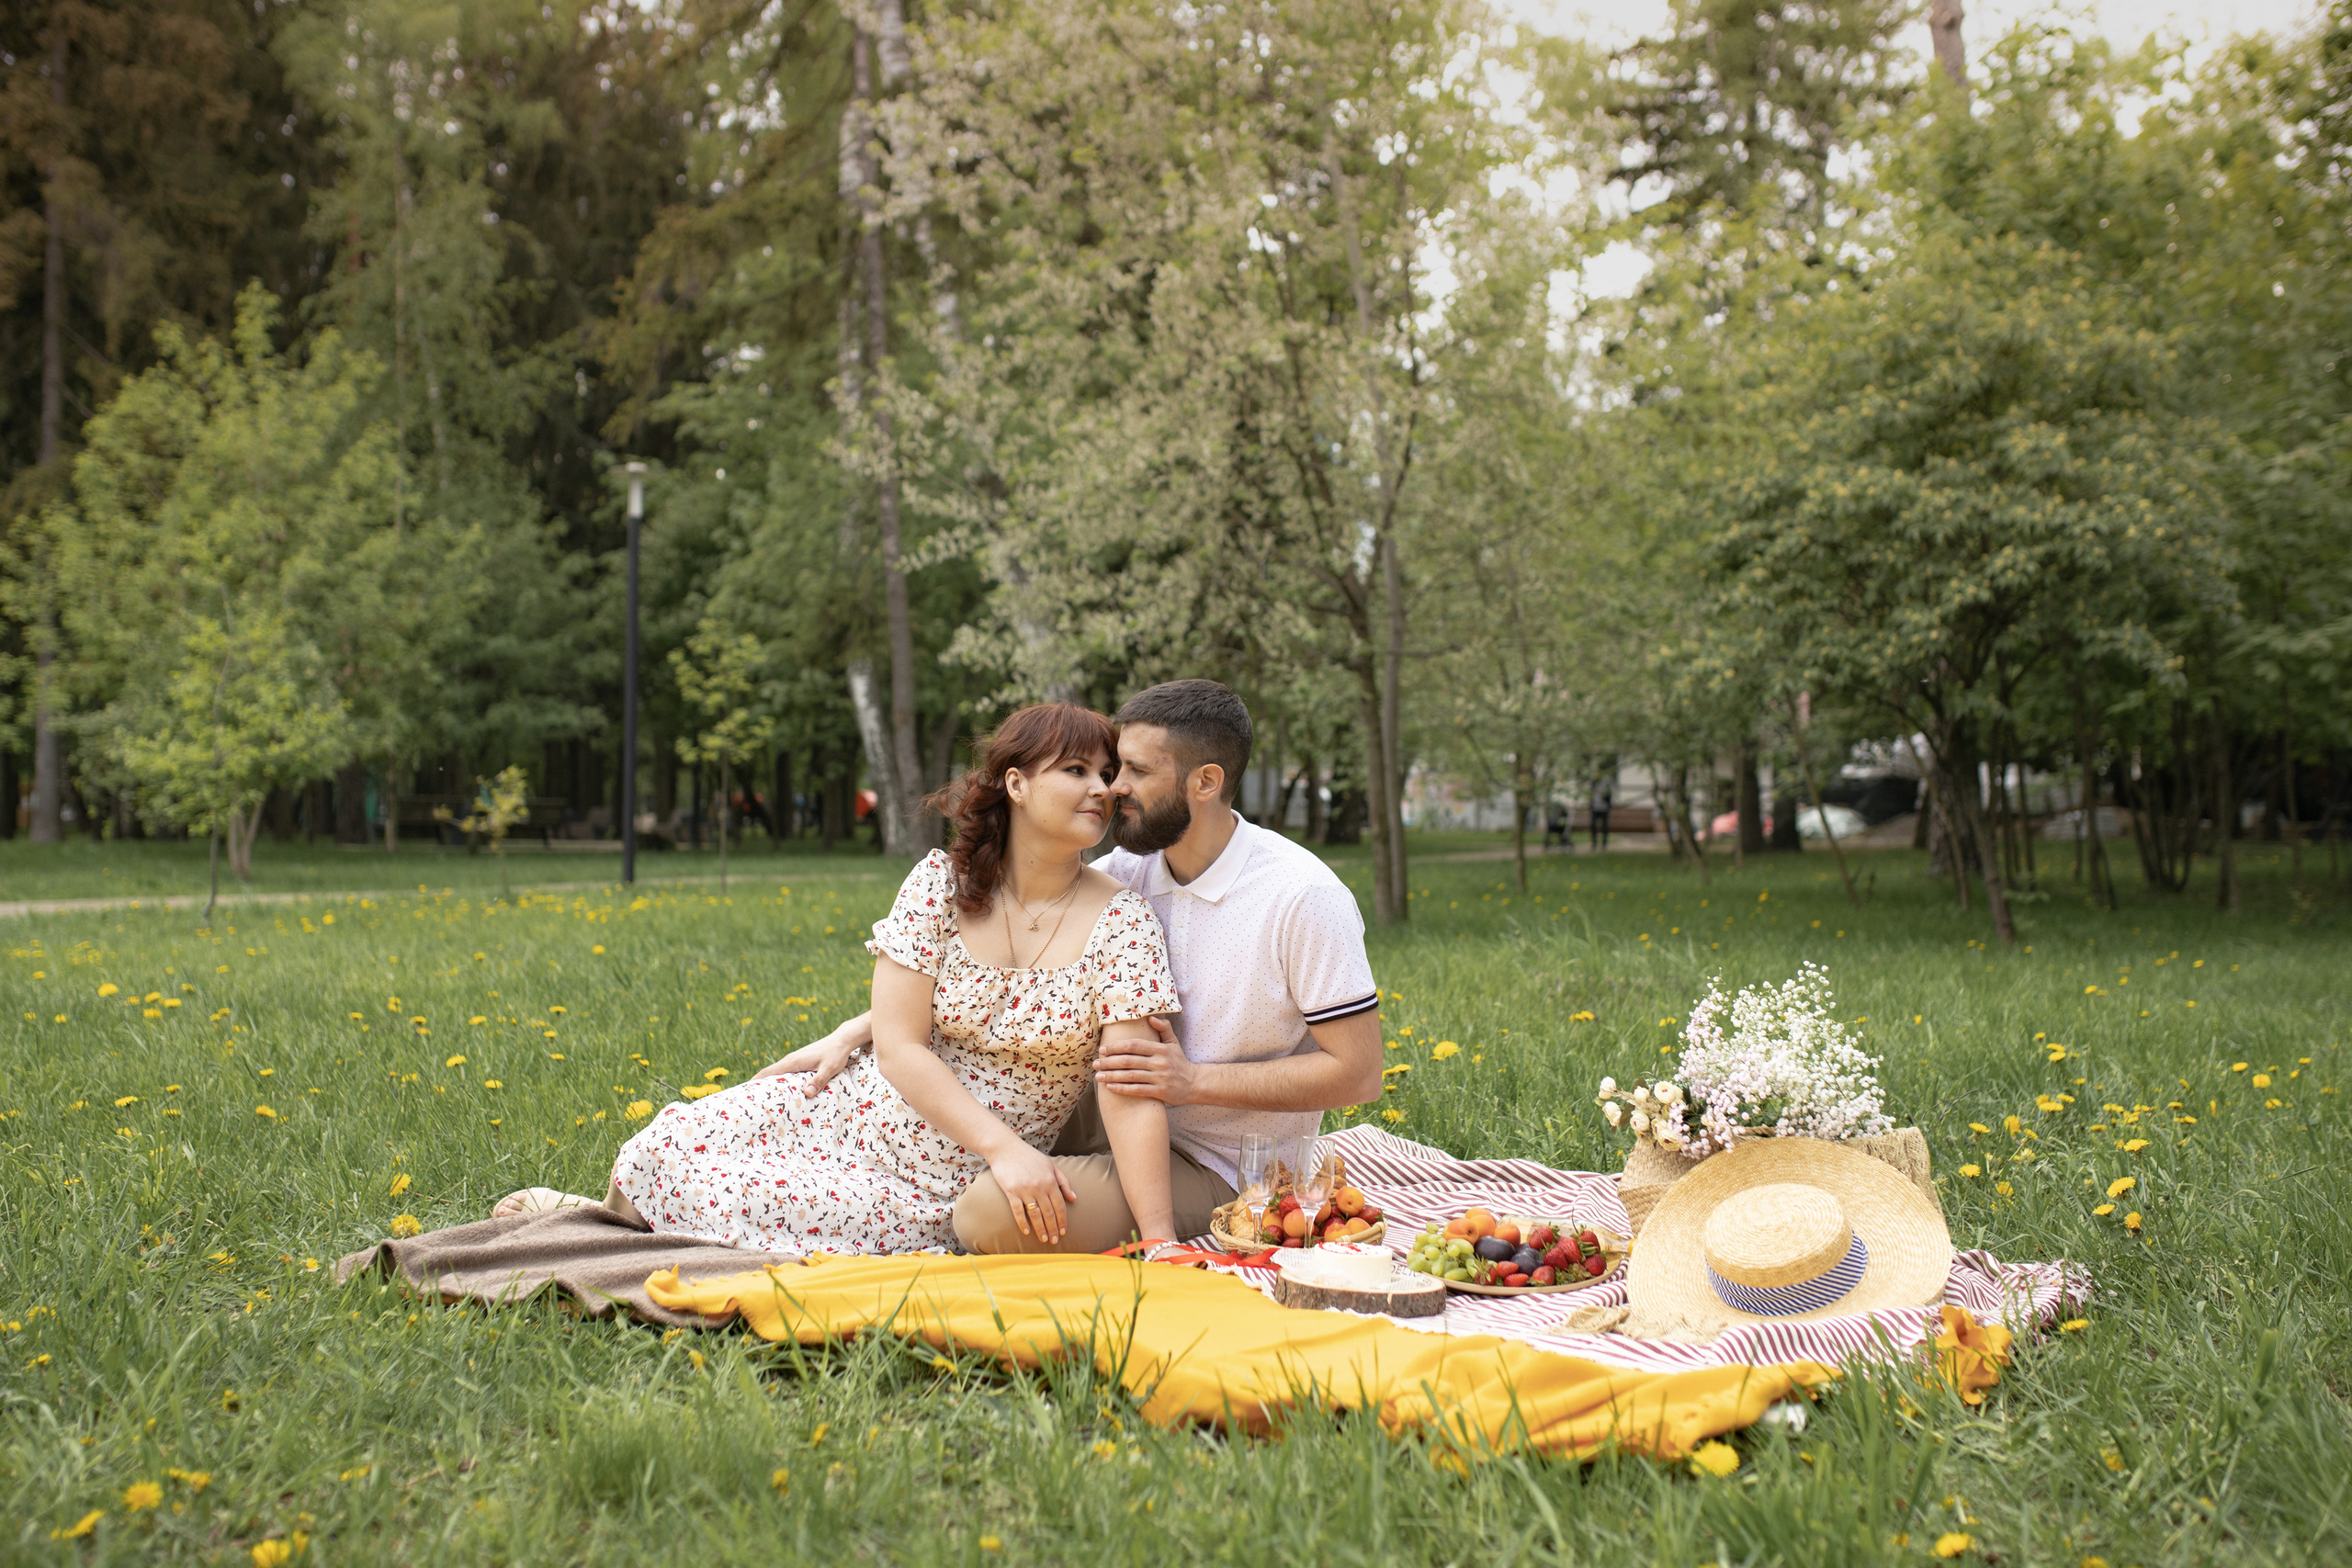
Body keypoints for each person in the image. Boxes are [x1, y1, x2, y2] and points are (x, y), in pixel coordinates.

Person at [492, 704, 1184, 1257]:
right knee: (673, 1141)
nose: (1103, 788)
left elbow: (1128, 1082)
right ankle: (598, 1214)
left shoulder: (1122, 920)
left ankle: (604, 1223)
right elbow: (902, 1046)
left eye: (1107, 772)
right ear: (1016, 783)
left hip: (949, 1176)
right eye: (1077, 769)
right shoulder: (940, 883)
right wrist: (859, 1034)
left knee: (750, 1199)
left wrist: (1158, 1240)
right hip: (863, 1108)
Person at [776, 679, 1385, 1253]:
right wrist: (866, 1028)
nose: (1114, 787)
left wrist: (1192, 1082)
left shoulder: (1301, 896)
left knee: (985, 1214)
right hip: (1086, 1114)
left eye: (1135, 771)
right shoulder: (1128, 875)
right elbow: (1026, 988)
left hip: (1218, 1162)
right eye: (1111, 767)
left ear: (1204, 782)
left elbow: (1359, 1075)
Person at [1589, 773, 1614, 852]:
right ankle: (1594, 844)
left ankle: (1604, 844)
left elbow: (1609, 794)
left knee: (1604, 827)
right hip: (1595, 808)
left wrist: (1608, 804)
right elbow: (1590, 794)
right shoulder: (1594, 782)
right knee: (1593, 826)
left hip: (1604, 808)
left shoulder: (1606, 782)